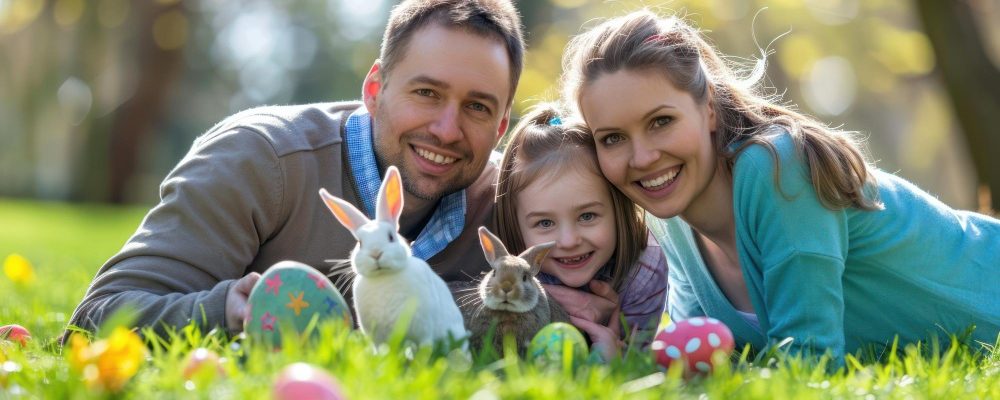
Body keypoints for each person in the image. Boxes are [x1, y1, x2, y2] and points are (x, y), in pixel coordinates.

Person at [560, 9, 1000, 364]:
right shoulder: (670, 222)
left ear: (708, 108)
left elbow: (810, 362)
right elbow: (709, 367)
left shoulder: (777, 169)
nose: (641, 158)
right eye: (613, 138)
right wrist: (620, 354)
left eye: (661, 122)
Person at [67, 0, 525, 338]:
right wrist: (226, 310)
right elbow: (95, 319)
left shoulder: (515, 200)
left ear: (502, 125)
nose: (447, 130)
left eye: (478, 107)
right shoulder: (259, 158)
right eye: (426, 93)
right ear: (374, 88)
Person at [493, 103, 668, 359]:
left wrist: (614, 355)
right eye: (544, 223)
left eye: (587, 216)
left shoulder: (644, 271)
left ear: (618, 207)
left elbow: (636, 365)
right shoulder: (506, 267)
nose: (568, 240)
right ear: (515, 224)